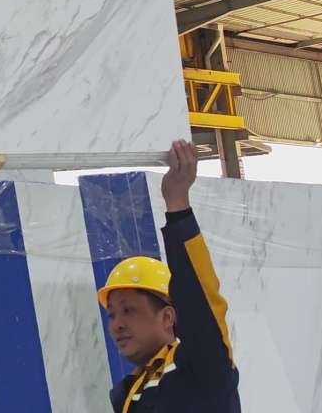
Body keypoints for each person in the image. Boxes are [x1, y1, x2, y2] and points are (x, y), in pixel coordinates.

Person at [97, 139, 241, 411]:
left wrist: (177, 204)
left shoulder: (200, 369)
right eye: (112, 314)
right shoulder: (131, 393)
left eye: (129, 310)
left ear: (167, 317)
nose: (117, 325)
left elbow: (197, 300)